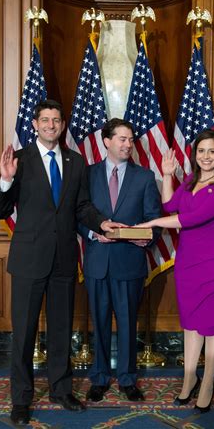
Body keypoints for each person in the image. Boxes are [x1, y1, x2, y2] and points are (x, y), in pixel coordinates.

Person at [0, 99, 122, 425]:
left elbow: (82, 208)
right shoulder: (19, 161)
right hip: (28, 262)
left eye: (56, 120)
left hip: (63, 260)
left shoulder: (76, 163)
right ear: (35, 124)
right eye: (44, 120)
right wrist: (5, 181)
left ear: (62, 126)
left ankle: (61, 390)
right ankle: (21, 399)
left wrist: (101, 223)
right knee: (23, 333)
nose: (50, 125)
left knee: (62, 328)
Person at [135, 129, 214, 414]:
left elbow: (191, 219)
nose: (206, 157)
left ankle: (208, 384)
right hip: (187, 262)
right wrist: (167, 175)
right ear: (195, 154)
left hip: (211, 262)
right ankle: (189, 379)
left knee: (211, 325)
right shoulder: (190, 181)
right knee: (190, 324)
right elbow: (170, 205)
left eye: (212, 151)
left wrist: (150, 223)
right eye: (201, 151)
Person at [78, 118, 161, 403]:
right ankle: (100, 378)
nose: (128, 144)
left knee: (127, 323)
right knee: (99, 322)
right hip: (98, 262)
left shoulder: (145, 177)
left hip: (129, 263)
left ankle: (127, 379)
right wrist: (91, 233)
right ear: (107, 141)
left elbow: (155, 218)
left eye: (130, 139)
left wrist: (147, 237)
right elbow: (78, 213)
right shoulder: (87, 175)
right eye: (122, 139)